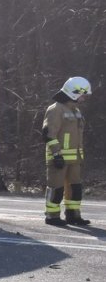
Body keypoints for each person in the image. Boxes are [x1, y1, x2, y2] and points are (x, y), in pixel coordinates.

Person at [43, 76, 92, 226]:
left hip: (74, 159)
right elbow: (49, 134)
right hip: (59, 158)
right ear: (74, 93)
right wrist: (56, 154)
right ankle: (52, 216)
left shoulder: (76, 111)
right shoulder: (56, 109)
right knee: (56, 188)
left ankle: (73, 215)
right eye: (83, 95)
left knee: (75, 188)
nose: (84, 98)